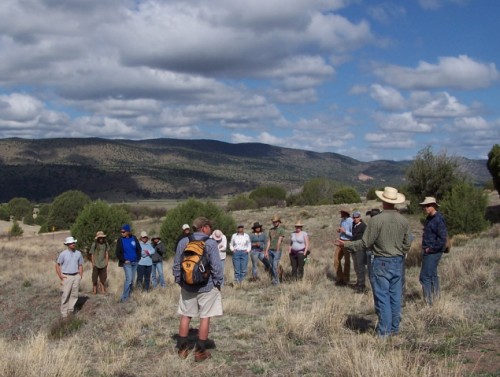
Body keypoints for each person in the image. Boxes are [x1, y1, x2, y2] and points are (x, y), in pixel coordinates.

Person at [342, 187, 411, 337]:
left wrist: (345, 245)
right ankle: (394, 328)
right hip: (398, 261)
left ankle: (384, 332)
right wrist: (400, 250)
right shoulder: (403, 221)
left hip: (381, 261)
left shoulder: (376, 220)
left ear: (383, 201)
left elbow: (364, 243)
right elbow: (407, 243)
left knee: (382, 297)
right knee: (395, 295)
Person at [173, 217, 224, 362]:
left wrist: (179, 280)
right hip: (206, 286)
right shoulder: (210, 243)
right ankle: (200, 352)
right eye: (210, 227)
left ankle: (182, 350)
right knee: (205, 317)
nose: (211, 230)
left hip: (187, 286)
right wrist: (218, 283)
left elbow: (177, 264)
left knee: (185, 315)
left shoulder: (184, 241)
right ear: (204, 227)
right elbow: (217, 267)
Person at [419, 197, 447, 305]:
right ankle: (436, 299)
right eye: (424, 206)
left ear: (434, 206)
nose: (425, 208)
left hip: (433, 252)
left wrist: (431, 249)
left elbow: (442, 238)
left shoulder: (438, 219)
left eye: (428, 205)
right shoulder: (430, 218)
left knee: (424, 276)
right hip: (431, 251)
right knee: (432, 275)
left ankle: (429, 303)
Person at [55, 236, 84, 318]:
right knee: (66, 295)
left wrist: (80, 276)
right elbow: (57, 265)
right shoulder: (63, 254)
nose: (73, 244)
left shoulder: (78, 253)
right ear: (67, 244)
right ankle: (64, 314)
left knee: (74, 294)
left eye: (74, 242)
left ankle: (70, 311)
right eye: (71, 243)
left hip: (76, 276)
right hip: (66, 276)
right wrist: (60, 276)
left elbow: (80, 265)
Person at [115, 224, 142, 302]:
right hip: (127, 263)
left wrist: (138, 258)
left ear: (128, 232)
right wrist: (123, 260)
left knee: (131, 280)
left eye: (123, 232)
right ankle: (124, 298)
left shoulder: (134, 238)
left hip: (135, 262)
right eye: (121, 232)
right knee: (129, 279)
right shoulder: (120, 240)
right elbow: (118, 252)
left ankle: (128, 295)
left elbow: (139, 249)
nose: (122, 233)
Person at [264, 215, 286, 285]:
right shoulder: (271, 230)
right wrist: (266, 251)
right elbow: (269, 241)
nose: (275, 223)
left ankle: (277, 281)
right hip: (270, 250)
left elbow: (280, 240)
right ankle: (274, 278)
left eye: (276, 221)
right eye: (274, 222)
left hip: (277, 250)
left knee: (274, 265)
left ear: (279, 222)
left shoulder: (281, 230)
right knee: (271, 265)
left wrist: (277, 249)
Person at [334, 208, 353, 286]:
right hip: (340, 241)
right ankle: (339, 278)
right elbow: (342, 230)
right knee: (336, 259)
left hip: (347, 242)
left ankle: (346, 279)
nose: (340, 214)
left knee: (347, 261)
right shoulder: (342, 220)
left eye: (341, 212)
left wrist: (345, 231)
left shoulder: (351, 221)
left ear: (345, 213)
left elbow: (353, 234)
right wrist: (339, 231)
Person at [351, 211, 368, 293]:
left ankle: (362, 285)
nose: (355, 219)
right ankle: (358, 282)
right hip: (354, 248)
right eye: (354, 217)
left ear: (360, 217)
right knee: (356, 266)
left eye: (356, 217)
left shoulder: (363, 226)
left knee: (360, 267)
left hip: (360, 248)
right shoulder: (354, 225)